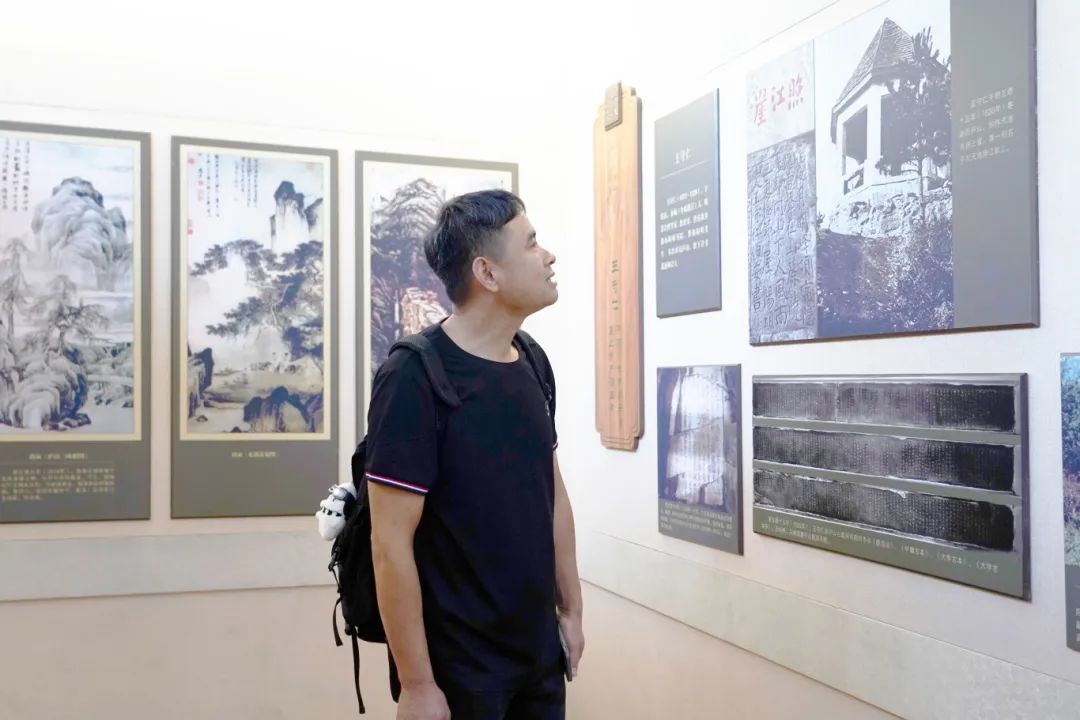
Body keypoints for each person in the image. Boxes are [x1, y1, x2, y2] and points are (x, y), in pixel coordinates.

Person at [364, 189, 584, 720]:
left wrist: (571, 610)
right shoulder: (414, 375)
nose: (548, 256)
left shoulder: (531, 360)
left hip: (538, 659)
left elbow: (551, 491)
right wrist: (417, 684)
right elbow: (389, 543)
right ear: (487, 272)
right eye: (531, 243)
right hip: (459, 671)